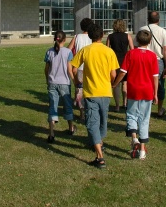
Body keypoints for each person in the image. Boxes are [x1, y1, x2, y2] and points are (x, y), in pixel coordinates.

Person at [71, 23, 119, 169]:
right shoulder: (109, 51)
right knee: (102, 120)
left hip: (91, 91)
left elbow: (73, 68)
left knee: (92, 121)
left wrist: (76, 81)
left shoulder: (85, 51)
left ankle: (100, 156)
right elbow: (113, 74)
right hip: (105, 91)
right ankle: (99, 148)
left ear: (90, 36)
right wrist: (112, 83)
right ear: (102, 35)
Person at [112, 29, 159, 160]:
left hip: (133, 89)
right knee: (144, 119)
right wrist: (155, 93)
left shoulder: (131, 54)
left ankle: (134, 138)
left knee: (131, 115)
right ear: (149, 42)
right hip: (147, 90)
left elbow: (122, 72)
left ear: (137, 40)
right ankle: (142, 150)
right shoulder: (152, 56)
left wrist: (115, 83)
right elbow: (155, 77)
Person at [44, 30, 77, 143]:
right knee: (67, 106)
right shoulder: (68, 52)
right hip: (64, 83)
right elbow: (69, 70)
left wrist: (47, 80)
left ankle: (51, 133)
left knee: (53, 106)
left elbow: (46, 69)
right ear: (64, 40)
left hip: (52, 82)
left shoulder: (49, 52)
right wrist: (74, 81)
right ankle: (71, 127)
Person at [139, 11, 166, 117]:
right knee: (160, 85)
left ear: (148, 19)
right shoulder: (162, 31)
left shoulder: (142, 29)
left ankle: (143, 108)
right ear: (158, 20)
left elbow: (136, 47)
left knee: (143, 83)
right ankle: (159, 109)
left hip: (143, 59)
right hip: (158, 60)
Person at [68, 17, 94, 121]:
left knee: (79, 89)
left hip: (79, 66)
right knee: (90, 89)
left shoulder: (77, 36)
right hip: (91, 66)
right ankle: (90, 111)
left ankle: (82, 112)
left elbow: (68, 50)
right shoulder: (93, 37)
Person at [106, 19, 134, 111]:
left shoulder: (110, 36)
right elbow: (132, 50)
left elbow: (107, 50)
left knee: (116, 84)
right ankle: (125, 103)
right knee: (125, 83)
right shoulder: (128, 36)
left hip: (114, 61)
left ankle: (117, 105)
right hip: (125, 61)